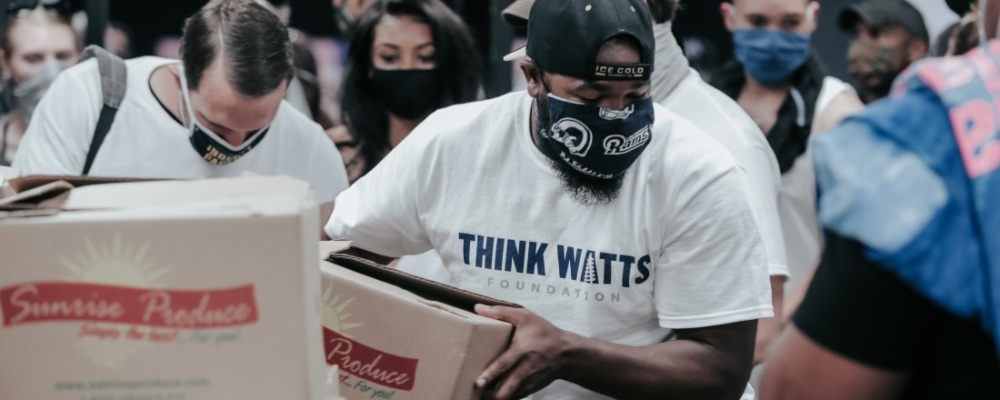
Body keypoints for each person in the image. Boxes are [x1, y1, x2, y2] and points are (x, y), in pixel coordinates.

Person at [326, 0, 774, 398]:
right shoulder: (454, 142)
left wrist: (569, 354)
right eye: (592, 95)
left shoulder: (697, 173)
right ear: (532, 76)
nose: (615, 116)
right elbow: (339, 252)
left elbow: (721, 369)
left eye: (635, 96)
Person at [504, 0, 789, 370]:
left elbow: (757, 336)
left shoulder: (722, 144)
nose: (549, 37)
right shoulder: (542, 120)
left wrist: (575, 362)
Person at [760, 0, 1000, 397]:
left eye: (878, 34)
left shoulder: (923, 138)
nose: (862, 49)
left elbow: (799, 390)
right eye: (858, 36)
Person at [12, 0, 348, 236]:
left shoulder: (309, 147)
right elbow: (31, 233)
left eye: (258, 129)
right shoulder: (87, 97)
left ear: (286, 87)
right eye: (217, 125)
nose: (234, 145)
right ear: (180, 76)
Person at [712, 0, 864, 322]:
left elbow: (854, 242)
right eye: (757, 21)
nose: (772, 38)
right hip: (713, 328)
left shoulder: (838, 115)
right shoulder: (708, 108)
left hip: (803, 329)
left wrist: (781, 321)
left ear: (813, 17)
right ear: (729, 16)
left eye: (790, 23)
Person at [328, 0, 481, 183]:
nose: (407, 67)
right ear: (367, 65)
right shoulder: (336, 152)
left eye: (425, 57)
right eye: (390, 57)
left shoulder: (475, 152)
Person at [0, 7, 79, 166]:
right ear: (5, 64)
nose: (51, 70)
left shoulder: (106, 136)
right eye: (33, 58)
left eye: (62, 56)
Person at [838, 0, 929, 104]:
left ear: (916, 48)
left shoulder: (939, 107)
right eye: (856, 35)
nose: (861, 46)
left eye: (876, 33)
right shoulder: (845, 109)